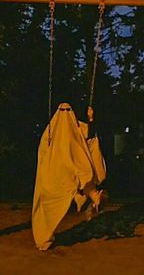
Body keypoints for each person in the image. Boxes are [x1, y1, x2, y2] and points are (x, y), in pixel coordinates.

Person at [32, 102, 106, 251]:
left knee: (82, 173)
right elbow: (43, 153)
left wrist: (91, 119)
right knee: (83, 174)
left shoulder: (76, 128)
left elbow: (90, 136)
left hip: (66, 172)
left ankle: (92, 196)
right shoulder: (53, 131)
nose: (65, 114)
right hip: (59, 173)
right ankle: (92, 196)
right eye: (62, 111)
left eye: (68, 111)